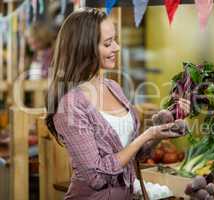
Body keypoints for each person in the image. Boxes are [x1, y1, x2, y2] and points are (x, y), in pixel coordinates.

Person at [45, 8, 190, 200]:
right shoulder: (70, 105)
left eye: (114, 40)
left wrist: (159, 129)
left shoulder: (114, 87)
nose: (117, 47)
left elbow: (134, 156)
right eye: (108, 43)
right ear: (84, 47)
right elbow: (96, 177)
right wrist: (147, 134)